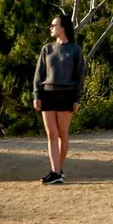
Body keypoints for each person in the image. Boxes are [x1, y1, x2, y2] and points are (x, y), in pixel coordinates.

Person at [33, 15, 84, 185]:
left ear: (63, 28)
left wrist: (76, 98)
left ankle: (58, 171)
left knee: (62, 133)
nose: (51, 27)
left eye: (54, 25)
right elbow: (39, 74)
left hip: (66, 94)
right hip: (47, 94)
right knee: (51, 134)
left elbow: (79, 76)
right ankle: (55, 171)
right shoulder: (47, 49)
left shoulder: (75, 50)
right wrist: (37, 95)